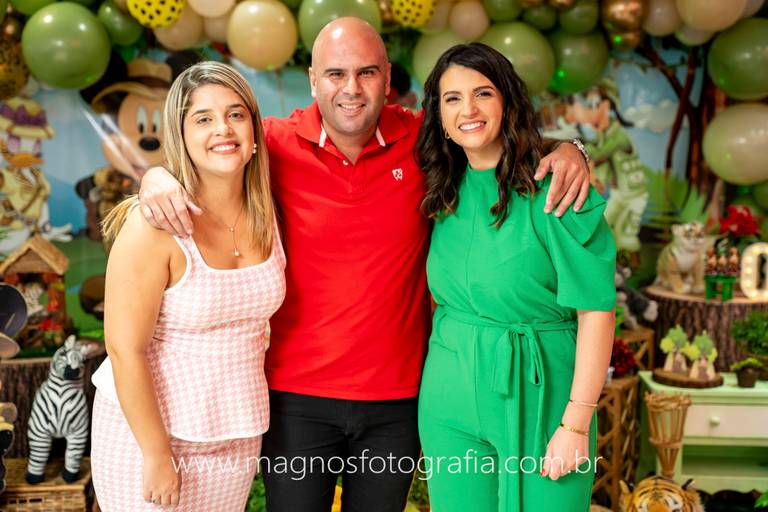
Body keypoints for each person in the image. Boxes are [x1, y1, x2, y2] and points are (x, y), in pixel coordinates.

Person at [137, 18, 591, 512]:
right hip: (296, 398)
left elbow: (493, 133)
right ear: (313, 80)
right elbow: (209, 154)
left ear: (387, 77)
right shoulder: (271, 145)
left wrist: (570, 149)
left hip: (396, 402)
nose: (351, 88)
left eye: (366, 72)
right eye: (336, 74)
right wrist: (155, 176)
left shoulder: (423, 139)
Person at [415, 43, 616, 512]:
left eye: (483, 93)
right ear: (439, 115)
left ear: (507, 101)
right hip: (449, 395)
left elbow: (596, 312)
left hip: (544, 393)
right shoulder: (440, 189)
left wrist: (576, 424)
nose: (468, 110)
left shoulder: (559, 188)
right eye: (452, 98)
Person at [90, 61, 285, 511]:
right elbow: (124, 349)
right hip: (148, 436)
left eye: (236, 114)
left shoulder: (269, 211)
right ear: (180, 135)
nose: (223, 129)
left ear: (254, 130)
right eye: (203, 118)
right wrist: (156, 454)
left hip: (235, 436)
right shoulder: (153, 224)